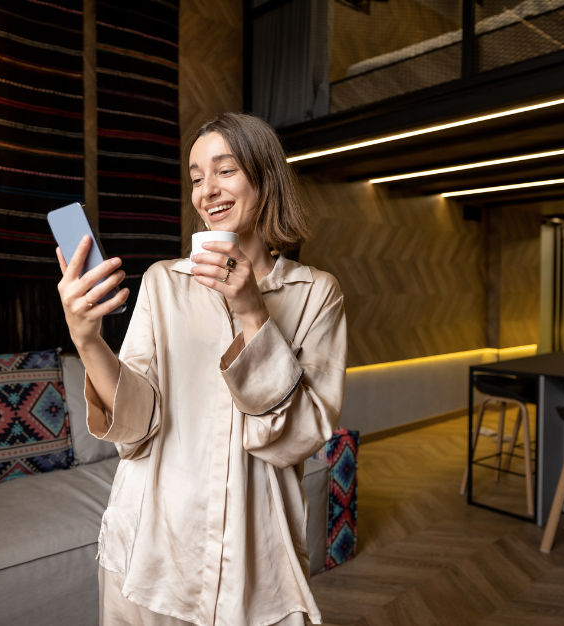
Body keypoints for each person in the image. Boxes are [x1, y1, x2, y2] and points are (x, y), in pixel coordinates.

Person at [55, 112, 347, 626]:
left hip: (254, 568)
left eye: (225, 170)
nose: (206, 190)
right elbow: (135, 424)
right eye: (195, 178)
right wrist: (87, 340)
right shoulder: (163, 282)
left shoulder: (314, 294)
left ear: (265, 176)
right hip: (148, 555)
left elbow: (296, 437)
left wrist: (253, 310)